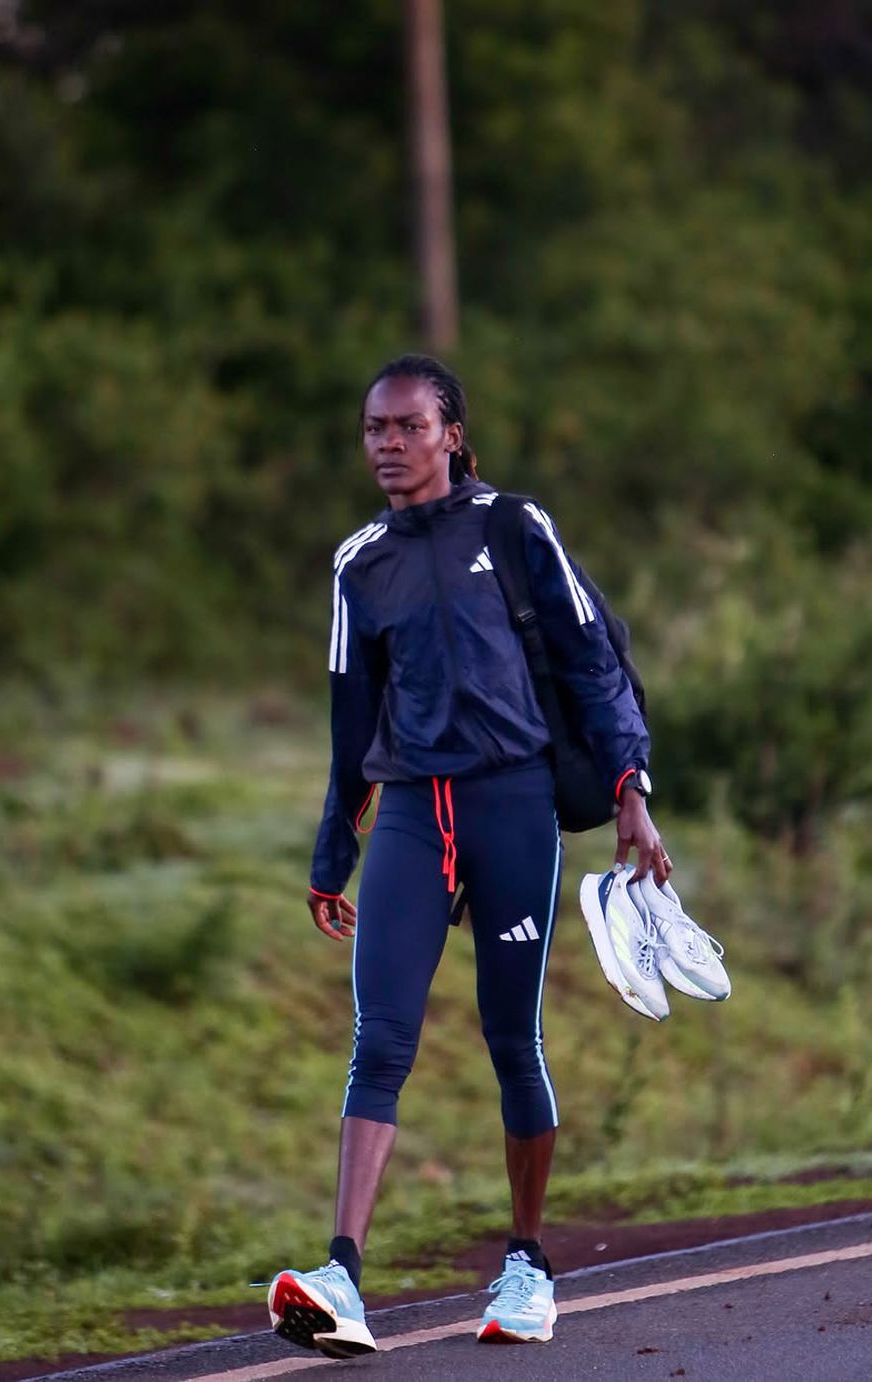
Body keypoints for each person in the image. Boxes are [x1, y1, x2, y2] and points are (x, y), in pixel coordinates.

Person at [266, 355, 670, 1358]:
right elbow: (350, 721)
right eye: (375, 428)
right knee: (379, 1038)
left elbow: (592, 660)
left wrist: (632, 790)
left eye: (409, 426)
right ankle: (341, 1276)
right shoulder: (360, 562)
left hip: (513, 805)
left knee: (511, 1037)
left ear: (451, 433)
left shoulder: (514, 527)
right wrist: (331, 854)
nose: (388, 444)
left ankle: (528, 1264)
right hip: (412, 809)